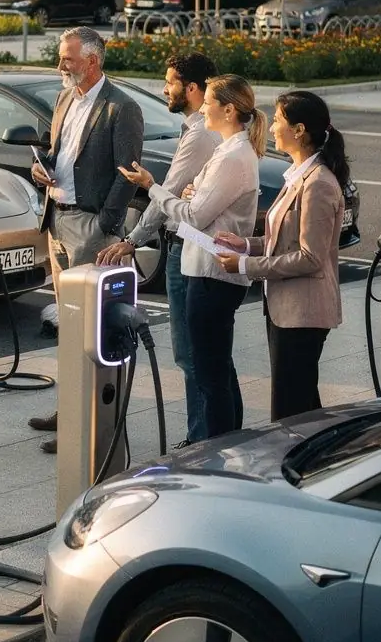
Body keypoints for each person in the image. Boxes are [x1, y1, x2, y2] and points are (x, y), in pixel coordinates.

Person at [119, 74, 266, 441]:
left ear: (228, 110)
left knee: (209, 371)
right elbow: (195, 199)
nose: (203, 108)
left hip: (212, 273)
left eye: (210, 102)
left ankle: (216, 448)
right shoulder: (228, 148)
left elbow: (194, 215)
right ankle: (228, 441)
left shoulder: (233, 154)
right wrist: (189, 196)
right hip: (207, 268)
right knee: (217, 366)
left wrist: (151, 187)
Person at [29, 26, 144, 453]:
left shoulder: (122, 108)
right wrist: (40, 169)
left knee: (92, 330)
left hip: (90, 227)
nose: (61, 64)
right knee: (68, 324)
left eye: (68, 58)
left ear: (92, 61)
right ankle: (68, 409)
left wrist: (105, 228)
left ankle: (85, 421)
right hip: (56, 220)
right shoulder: (64, 98)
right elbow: (56, 152)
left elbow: (127, 173)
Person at [97, 52, 220, 446]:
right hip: (194, 244)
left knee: (191, 356)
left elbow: (165, 196)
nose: (163, 88)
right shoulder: (201, 129)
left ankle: (201, 440)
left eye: (169, 82)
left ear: (192, 88)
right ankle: (215, 435)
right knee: (208, 355)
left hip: (188, 247)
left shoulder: (201, 133)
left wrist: (132, 239)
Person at [215, 91, 349, 421]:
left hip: (303, 312)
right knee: (300, 400)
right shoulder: (299, 176)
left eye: (277, 120)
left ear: (299, 129)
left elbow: (309, 257)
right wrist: (245, 244)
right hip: (285, 309)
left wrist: (246, 266)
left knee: (291, 408)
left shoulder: (317, 183)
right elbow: (283, 240)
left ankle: (305, 466)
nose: (272, 127)